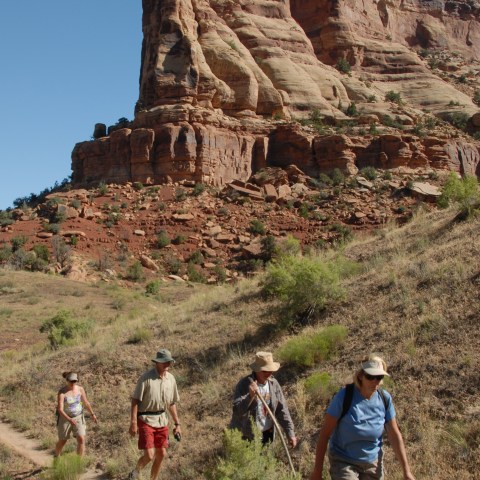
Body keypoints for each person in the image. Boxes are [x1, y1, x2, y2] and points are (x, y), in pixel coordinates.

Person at [309, 354, 415, 480]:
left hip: (373, 463)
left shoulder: (384, 399)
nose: (375, 381)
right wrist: (317, 472)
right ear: (360, 376)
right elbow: (325, 434)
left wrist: (406, 472)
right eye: (370, 376)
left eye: (379, 377)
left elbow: (394, 434)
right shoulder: (344, 397)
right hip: (344, 461)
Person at [128, 349, 181, 480]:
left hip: (162, 420)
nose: (167, 364)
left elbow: (171, 403)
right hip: (145, 419)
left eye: (169, 362)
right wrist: (133, 422)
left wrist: (177, 424)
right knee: (150, 455)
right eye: (164, 362)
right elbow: (135, 400)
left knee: (162, 453)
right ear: (157, 362)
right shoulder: (146, 378)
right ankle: (135, 473)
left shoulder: (171, 379)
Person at [229, 351, 297, 448]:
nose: (269, 374)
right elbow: (237, 411)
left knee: (267, 462)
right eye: (265, 371)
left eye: (271, 371)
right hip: (247, 438)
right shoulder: (244, 385)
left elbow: (282, 410)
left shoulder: (274, 384)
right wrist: (250, 396)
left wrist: (290, 433)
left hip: (267, 435)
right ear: (257, 370)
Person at [55, 371, 97, 457]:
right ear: (67, 380)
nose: (73, 383)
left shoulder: (80, 389)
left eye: (75, 381)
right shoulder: (62, 392)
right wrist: (69, 419)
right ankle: (57, 455)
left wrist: (92, 414)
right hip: (65, 419)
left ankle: (79, 462)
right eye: (71, 381)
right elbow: (60, 409)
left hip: (78, 417)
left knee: (81, 439)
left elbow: (86, 403)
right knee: (63, 440)